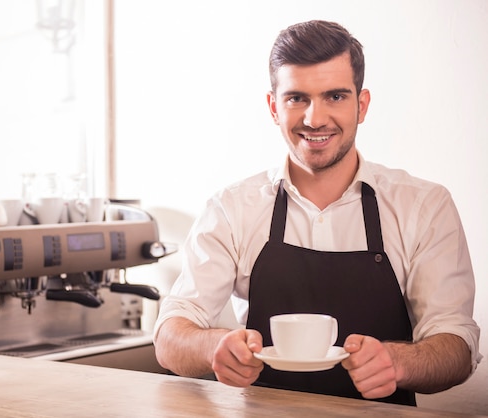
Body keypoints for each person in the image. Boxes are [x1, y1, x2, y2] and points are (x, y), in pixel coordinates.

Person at [152, 20, 481, 406]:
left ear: (362, 104)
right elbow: (170, 334)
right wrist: (213, 349)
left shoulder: (424, 206)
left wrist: (398, 363)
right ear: (274, 107)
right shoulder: (231, 208)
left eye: (335, 97)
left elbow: (457, 346)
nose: (314, 118)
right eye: (297, 99)